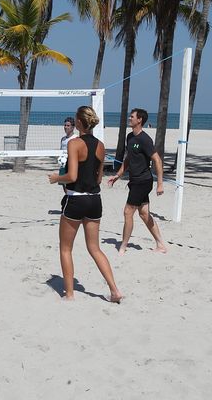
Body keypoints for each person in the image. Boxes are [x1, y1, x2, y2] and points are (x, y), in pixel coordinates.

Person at [47, 106, 123, 304]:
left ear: (79, 123)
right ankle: (114, 290)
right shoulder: (100, 145)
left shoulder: (74, 144)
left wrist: (56, 178)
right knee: (94, 248)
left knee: (65, 248)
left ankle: (70, 294)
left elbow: (71, 175)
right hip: (94, 200)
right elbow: (98, 178)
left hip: (76, 199)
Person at [108, 108, 167, 255]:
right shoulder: (130, 137)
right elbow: (128, 158)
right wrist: (118, 174)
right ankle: (161, 244)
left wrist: (160, 183)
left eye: (132, 116)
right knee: (144, 213)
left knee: (128, 212)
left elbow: (157, 160)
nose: (130, 118)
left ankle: (123, 246)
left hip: (143, 181)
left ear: (139, 120)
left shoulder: (145, 139)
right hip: (134, 181)